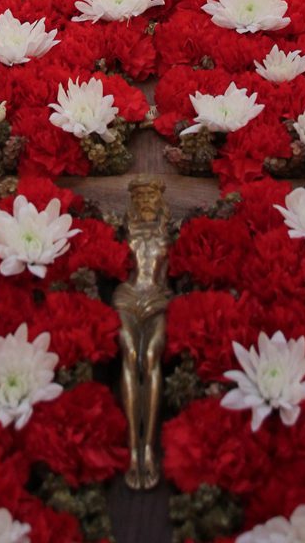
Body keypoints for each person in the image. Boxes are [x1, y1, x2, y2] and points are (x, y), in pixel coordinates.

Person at [113, 177, 170, 491]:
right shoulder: (125, 231)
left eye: (150, 196)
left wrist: (163, 299)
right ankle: (133, 447)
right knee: (130, 354)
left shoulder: (165, 234)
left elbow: (165, 280)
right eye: (140, 197)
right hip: (128, 297)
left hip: (155, 298)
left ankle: (148, 447)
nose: (145, 202)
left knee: (150, 358)